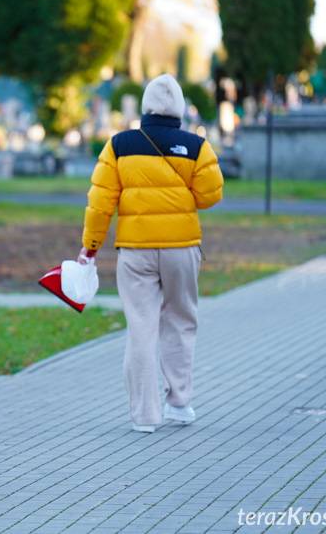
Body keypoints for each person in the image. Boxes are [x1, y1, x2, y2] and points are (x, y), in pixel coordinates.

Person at [79, 74, 224, 433]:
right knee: (180, 321)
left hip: (136, 251)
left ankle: (145, 416)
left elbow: (100, 203)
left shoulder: (118, 145)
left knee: (141, 328)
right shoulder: (196, 146)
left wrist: (91, 246)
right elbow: (211, 195)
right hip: (182, 249)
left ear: (144, 107)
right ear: (179, 109)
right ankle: (179, 402)